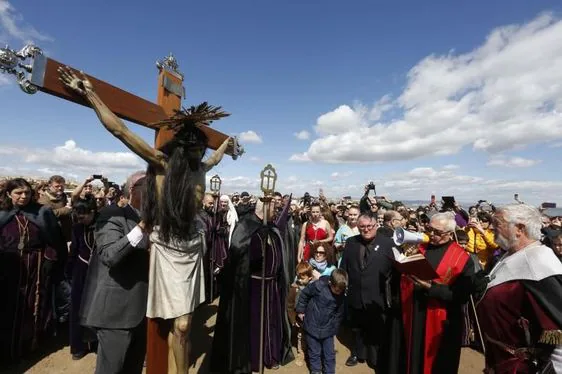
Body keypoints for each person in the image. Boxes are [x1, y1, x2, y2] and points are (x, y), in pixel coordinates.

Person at [59, 67, 237, 374]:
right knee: (179, 325)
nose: (199, 154)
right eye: (193, 149)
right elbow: (121, 131)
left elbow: (216, 156)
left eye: (202, 149)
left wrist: (228, 144)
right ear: (182, 148)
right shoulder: (162, 163)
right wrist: (89, 92)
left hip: (193, 247)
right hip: (167, 246)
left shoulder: (201, 169)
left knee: (184, 325)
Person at [476, 204, 562, 373]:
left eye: (497, 223)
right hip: (501, 360)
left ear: (520, 229)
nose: (492, 227)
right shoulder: (511, 253)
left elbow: (558, 331)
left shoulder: (540, 265)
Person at [210, 198, 293, 373]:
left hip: (272, 286)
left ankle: (270, 356)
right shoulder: (246, 226)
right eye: (274, 209)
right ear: (265, 208)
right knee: (255, 324)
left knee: (271, 323)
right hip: (252, 288)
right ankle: (254, 359)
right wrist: (256, 244)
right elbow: (238, 256)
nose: (276, 212)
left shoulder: (272, 227)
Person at [79, 171, 149, 374]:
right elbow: (110, 255)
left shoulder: (159, 220)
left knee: (132, 368)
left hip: (143, 311)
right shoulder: (112, 215)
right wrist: (143, 227)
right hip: (116, 313)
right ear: (130, 192)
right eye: (146, 186)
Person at [398, 211, 475, 374]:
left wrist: (431, 288)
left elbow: (461, 295)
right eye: (429, 229)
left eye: (437, 232)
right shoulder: (420, 247)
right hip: (415, 312)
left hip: (442, 320)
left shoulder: (461, 258)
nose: (431, 235)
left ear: (449, 233)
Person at [0, 178, 66, 365]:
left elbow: (54, 240)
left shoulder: (42, 213)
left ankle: (28, 347)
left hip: (35, 269)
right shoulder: (2, 213)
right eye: (18, 193)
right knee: (8, 308)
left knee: (33, 306)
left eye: (26, 193)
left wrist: (49, 261)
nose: (23, 196)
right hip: (7, 268)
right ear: (8, 194)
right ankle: (6, 350)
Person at [339, 214, 395, 371]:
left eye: (369, 226)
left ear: (376, 225)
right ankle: (357, 353)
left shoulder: (388, 243)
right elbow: (344, 266)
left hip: (378, 295)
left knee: (376, 328)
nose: (366, 230)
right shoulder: (351, 242)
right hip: (356, 293)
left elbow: (394, 270)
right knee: (357, 327)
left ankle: (375, 357)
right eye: (362, 227)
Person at [296, 268, 348, 374]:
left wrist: (335, 327)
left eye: (341, 291)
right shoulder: (318, 286)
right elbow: (305, 294)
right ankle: (316, 371)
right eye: (337, 290)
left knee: (329, 354)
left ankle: (329, 371)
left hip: (328, 329)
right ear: (330, 283)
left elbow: (339, 314)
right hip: (312, 325)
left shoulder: (341, 296)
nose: (338, 293)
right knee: (314, 352)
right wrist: (301, 310)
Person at [67, 196, 99, 360]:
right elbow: (74, 249)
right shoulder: (77, 228)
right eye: (77, 216)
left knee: (98, 307)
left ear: (92, 212)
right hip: (81, 270)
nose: (80, 219)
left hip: (99, 272)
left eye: (83, 215)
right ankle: (79, 346)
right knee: (78, 308)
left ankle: (96, 343)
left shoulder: (103, 225)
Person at [287, 262, 314, 366]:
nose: (299, 280)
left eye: (302, 278)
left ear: (310, 278)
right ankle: (301, 354)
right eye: (298, 277)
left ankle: (311, 355)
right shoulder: (294, 289)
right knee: (301, 337)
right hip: (300, 321)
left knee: (312, 338)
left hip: (312, 320)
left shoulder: (314, 289)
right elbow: (290, 305)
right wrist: (293, 320)